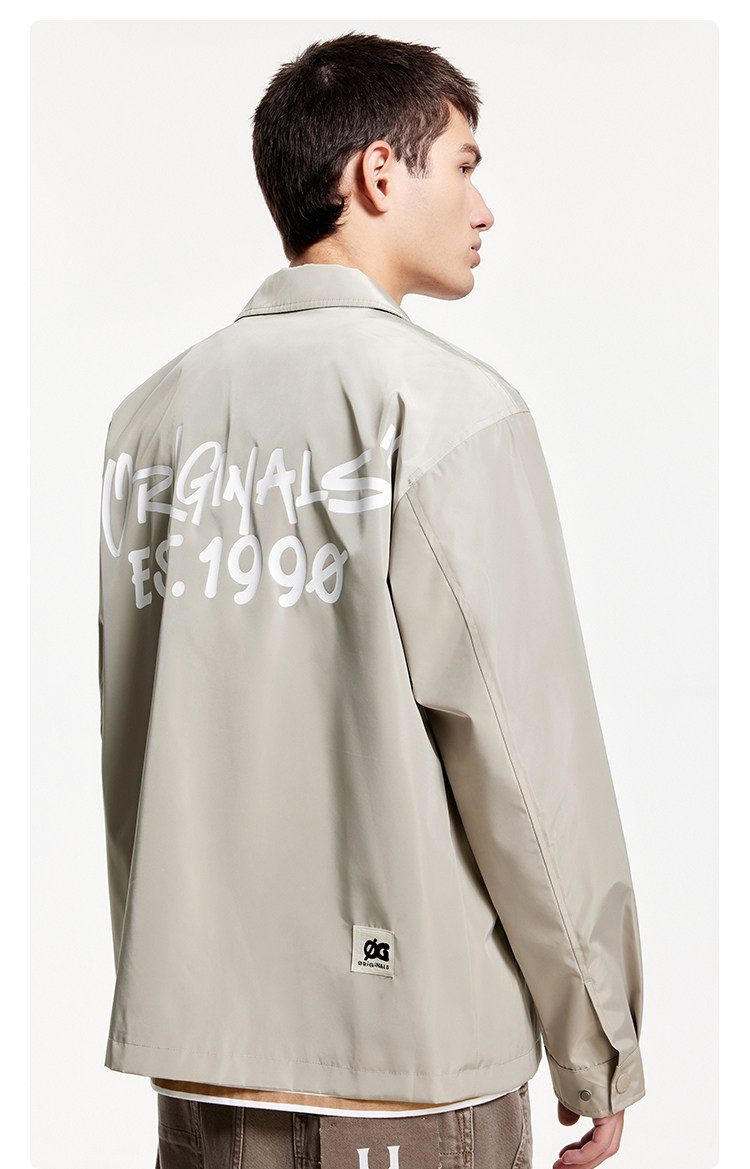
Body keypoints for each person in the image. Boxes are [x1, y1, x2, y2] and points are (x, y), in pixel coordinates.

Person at [98, 31, 645, 1169]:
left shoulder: (148, 423)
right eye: (464, 164)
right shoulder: (446, 410)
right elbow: (526, 761)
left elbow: (134, 739)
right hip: (413, 1073)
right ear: (379, 173)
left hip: (201, 1072)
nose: (484, 207)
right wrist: (597, 1042)